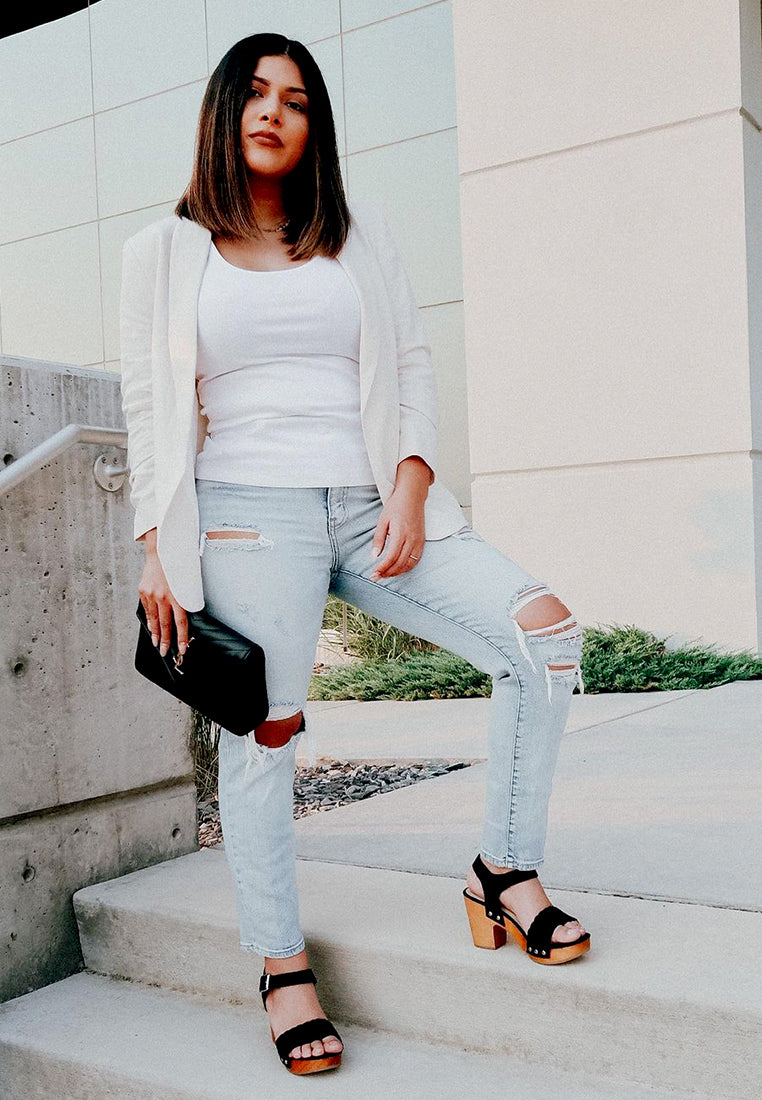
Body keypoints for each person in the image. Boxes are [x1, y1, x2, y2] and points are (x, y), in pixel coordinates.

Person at [119, 32, 590, 1078]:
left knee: (543, 635)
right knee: (267, 731)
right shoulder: (162, 251)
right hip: (244, 513)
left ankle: (504, 869)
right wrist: (158, 545)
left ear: (314, 122)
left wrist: (415, 481)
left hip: (376, 505)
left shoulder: (360, 230)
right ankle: (282, 964)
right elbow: (151, 407)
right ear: (225, 110)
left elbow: (413, 359)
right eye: (255, 92)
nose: (274, 110)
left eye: (295, 96)